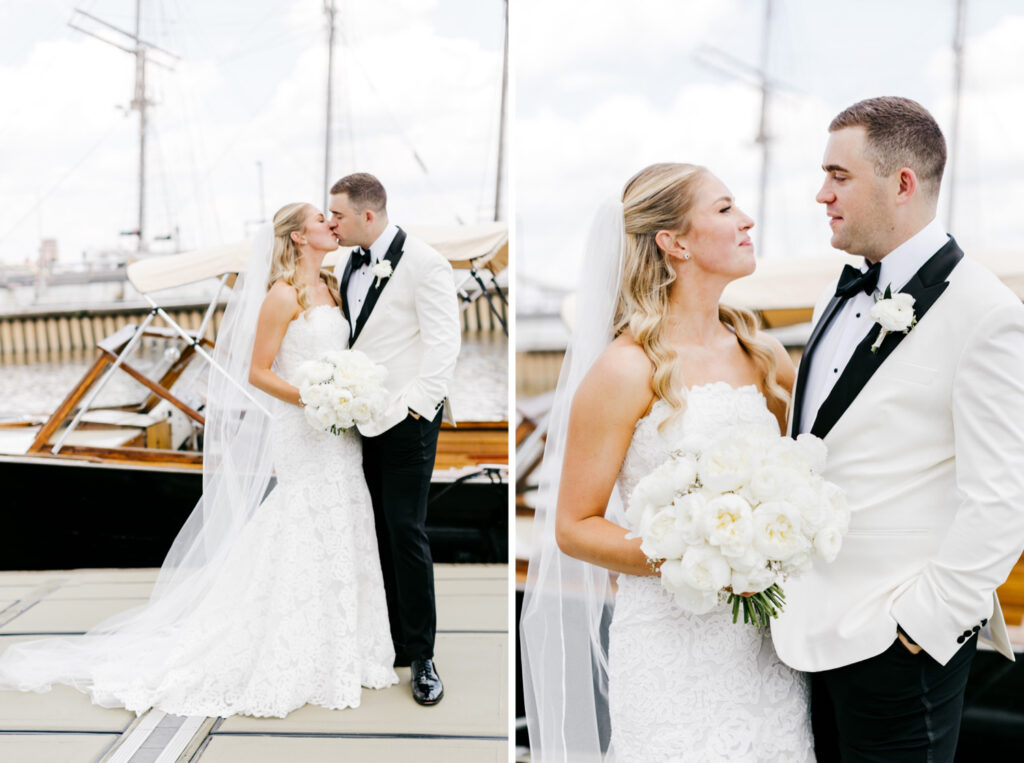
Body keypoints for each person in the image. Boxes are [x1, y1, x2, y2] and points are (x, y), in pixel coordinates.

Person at [0, 202, 398, 717]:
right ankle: (285, 643)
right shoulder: (281, 295)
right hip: (305, 425)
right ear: (299, 237)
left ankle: (349, 644)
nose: (330, 224)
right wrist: (315, 398)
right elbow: (258, 372)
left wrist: (348, 393)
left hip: (339, 431)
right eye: (321, 219)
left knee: (346, 517)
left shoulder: (334, 284)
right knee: (302, 521)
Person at [520, 163, 814, 762]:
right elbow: (574, 526)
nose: (747, 219)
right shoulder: (625, 370)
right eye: (726, 208)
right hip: (671, 646)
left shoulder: (765, 357)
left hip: (764, 646)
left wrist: (773, 544)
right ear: (674, 242)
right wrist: (699, 556)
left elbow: (801, 481)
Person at [772, 96, 1024, 761]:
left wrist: (920, 626)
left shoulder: (987, 313)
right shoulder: (843, 288)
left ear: (902, 183)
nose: (821, 193)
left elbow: (1002, 499)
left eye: (838, 175)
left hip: (897, 646)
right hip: (810, 634)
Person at [328, 172, 461, 706]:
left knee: (406, 530)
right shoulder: (345, 264)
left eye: (336, 215)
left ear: (367, 215)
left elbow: (444, 343)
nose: (330, 223)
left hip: (406, 420)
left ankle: (423, 656)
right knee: (374, 529)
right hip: (359, 418)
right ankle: (392, 642)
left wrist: (415, 408)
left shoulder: (426, 262)